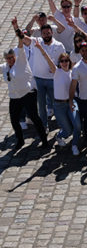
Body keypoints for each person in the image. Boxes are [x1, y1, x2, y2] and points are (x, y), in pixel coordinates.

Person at [2, 24, 50, 152]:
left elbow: (20, 44)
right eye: (8, 59)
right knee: (14, 120)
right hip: (15, 96)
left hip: (28, 93)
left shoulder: (21, 59)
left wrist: (16, 29)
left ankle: (44, 140)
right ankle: (20, 140)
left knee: (34, 117)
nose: (10, 60)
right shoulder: (4, 67)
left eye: (12, 57)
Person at [34, 39, 80, 153]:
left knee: (77, 125)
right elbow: (47, 58)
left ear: (69, 62)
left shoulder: (73, 72)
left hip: (71, 102)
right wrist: (40, 48)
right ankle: (59, 136)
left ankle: (74, 145)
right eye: (62, 61)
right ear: (59, 63)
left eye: (66, 61)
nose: (64, 63)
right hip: (58, 105)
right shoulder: (56, 72)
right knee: (68, 130)